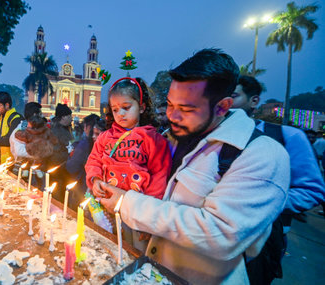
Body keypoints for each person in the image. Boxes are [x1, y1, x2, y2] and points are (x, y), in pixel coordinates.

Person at [97, 49, 290, 284]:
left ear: (222, 106)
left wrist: (126, 202)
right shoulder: (168, 138)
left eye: (187, 109)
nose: (172, 116)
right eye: (169, 104)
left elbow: (219, 234)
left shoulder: (261, 155)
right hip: (152, 271)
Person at [85, 77, 172, 250]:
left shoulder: (153, 139)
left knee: (134, 253)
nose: (120, 114)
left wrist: (149, 217)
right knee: (106, 248)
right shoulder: (105, 137)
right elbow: (93, 160)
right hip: (106, 207)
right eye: (115, 110)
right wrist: (95, 179)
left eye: (126, 108)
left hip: (135, 211)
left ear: (141, 107)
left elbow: (159, 177)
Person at [232, 75, 325, 228]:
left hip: (264, 237)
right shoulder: (207, 135)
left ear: (254, 101)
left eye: (233, 96)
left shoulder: (288, 136)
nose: (225, 102)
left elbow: (311, 191)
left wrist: (256, 204)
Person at [66, 114, 100, 208]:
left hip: (82, 187)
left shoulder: (84, 145)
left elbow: (72, 167)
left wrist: (70, 156)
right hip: (94, 188)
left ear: (87, 127)